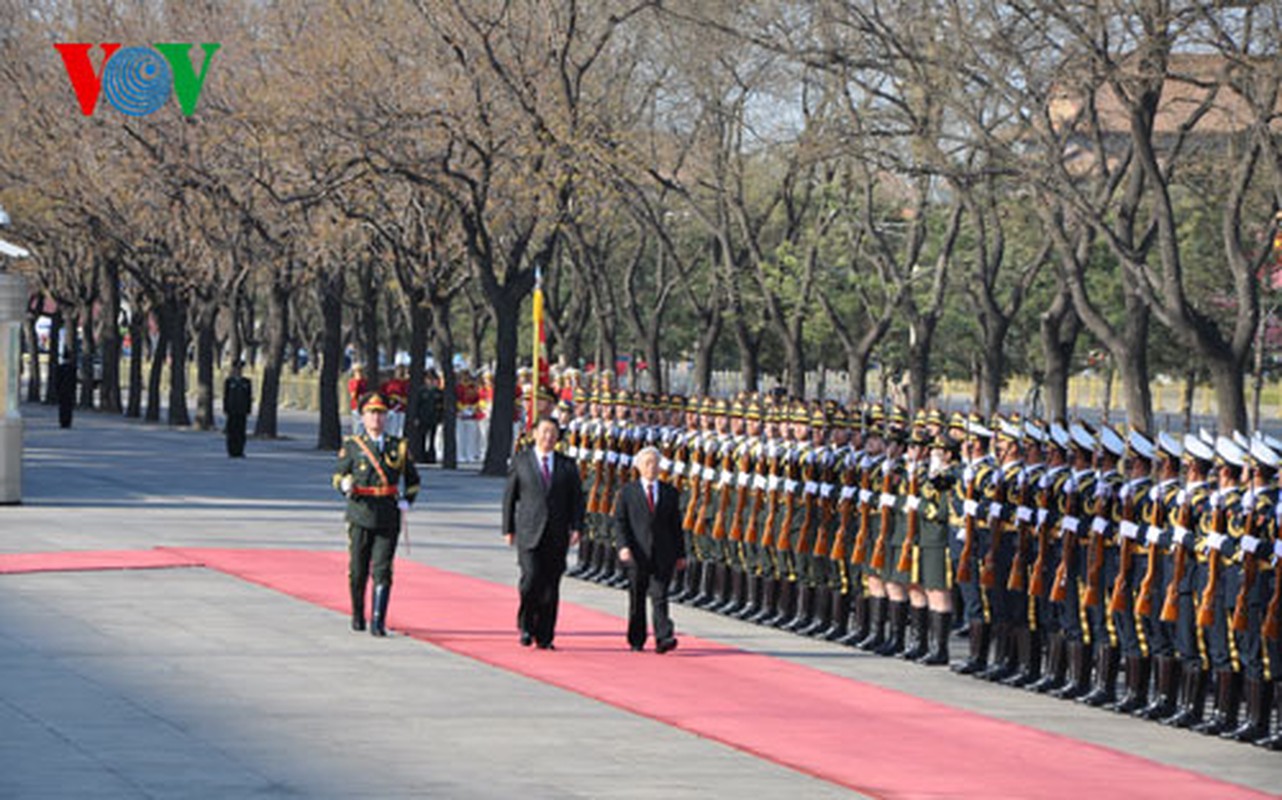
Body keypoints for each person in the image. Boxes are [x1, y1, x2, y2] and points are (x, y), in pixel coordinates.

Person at [333, 392, 421, 637]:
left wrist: (407, 500)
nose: (376, 418)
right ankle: (358, 613)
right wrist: (345, 486)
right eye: (372, 413)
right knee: (358, 569)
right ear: (363, 417)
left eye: (381, 413)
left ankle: (378, 620)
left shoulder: (398, 446)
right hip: (360, 512)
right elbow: (338, 476)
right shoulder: (353, 446)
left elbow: (413, 481)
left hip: (387, 514)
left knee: (383, 569)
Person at [502, 416, 585, 650]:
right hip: (529, 531)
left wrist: (577, 526)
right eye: (544, 432)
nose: (548, 437)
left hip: (557, 533)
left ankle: (545, 635)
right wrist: (508, 528)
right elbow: (510, 497)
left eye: (553, 433)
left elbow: (576, 499)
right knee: (530, 580)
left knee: (551, 586)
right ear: (535, 433)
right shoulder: (521, 461)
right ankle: (526, 625)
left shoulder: (567, 465)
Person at [614, 446, 687, 652]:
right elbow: (620, 522)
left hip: (663, 553)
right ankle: (636, 638)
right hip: (638, 553)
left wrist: (681, 554)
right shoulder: (628, 492)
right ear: (638, 467)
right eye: (647, 463)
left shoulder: (669, 492)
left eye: (655, 463)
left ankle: (664, 636)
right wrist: (623, 547)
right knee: (637, 597)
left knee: (660, 596)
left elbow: (676, 526)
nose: (652, 467)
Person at [222, 360, 252, 458]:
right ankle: (231, 451)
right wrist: (226, 408)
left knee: (241, 432)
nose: (238, 371)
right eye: (236, 369)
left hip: (242, 411)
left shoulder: (246, 382)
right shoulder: (229, 381)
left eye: (240, 369)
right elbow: (226, 396)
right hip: (232, 410)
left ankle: (240, 450)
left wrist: (248, 409)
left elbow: (248, 396)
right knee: (232, 432)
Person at [416, 369, 443, 464]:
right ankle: (421, 456)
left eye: (432, 379)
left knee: (433, 438)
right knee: (422, 438)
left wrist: (440, 418)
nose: (430, 381)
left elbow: (441, 406)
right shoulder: (421, 391)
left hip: (434, 418)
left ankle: (431, 456)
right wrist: (416, 417)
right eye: (429, 379)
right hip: (423, 417)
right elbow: (417, 405)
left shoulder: (439, 392)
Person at [54, 348, 76, 429]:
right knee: (69, 407)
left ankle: (62, 421)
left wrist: (57, 389)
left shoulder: (60, 368)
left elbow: (57, 380)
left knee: (62, 407)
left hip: (61, 390)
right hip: (69, 390)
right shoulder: (72, 368)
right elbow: (74, 381)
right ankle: (68, 421)